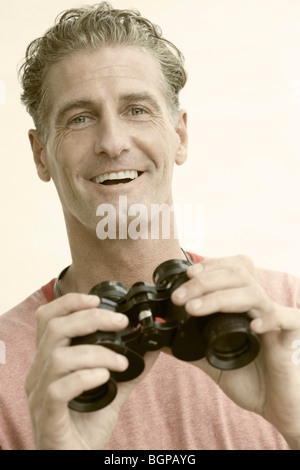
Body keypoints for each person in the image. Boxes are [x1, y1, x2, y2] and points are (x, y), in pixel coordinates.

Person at [0, 2, 299, 451]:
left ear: (179, 135)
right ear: (41, 154)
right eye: (80, 118)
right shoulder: (9, 363)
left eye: (137, 109)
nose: (113, 143)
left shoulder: (285, 314)